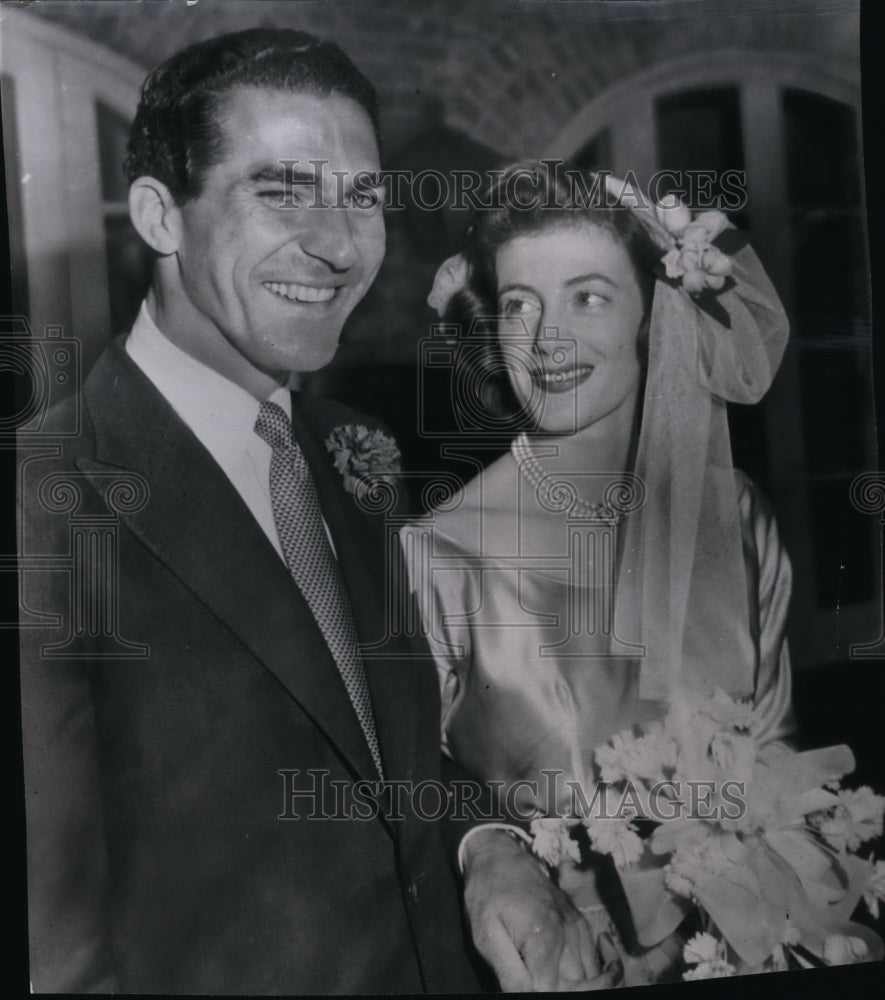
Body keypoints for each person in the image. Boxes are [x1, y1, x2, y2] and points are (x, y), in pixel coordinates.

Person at [17, 34, 617, 994]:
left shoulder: (357, 452)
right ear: (159, 216)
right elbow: (53, 949)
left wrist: (489, 851)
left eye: (364, 196)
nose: (339, 244)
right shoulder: (39, 504)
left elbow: (391, 762)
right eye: (282, 191)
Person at [405, 161, 795, 987]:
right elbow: (410, 792)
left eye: (587, 297)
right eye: (519, 304)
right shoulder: (438, 554)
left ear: (656, 321)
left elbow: (775, 755)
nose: (545, 340)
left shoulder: (731, 514)